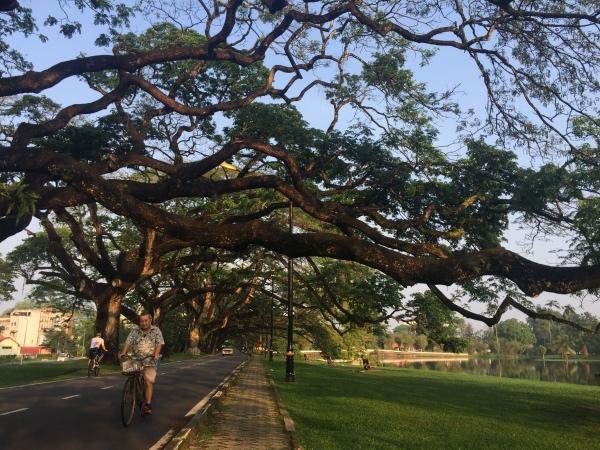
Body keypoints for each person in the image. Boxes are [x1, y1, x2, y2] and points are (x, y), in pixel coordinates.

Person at [118, 313, 164, 416]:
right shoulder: (135, 330)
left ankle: (148, 405)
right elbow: (128, 342)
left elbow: (159, 344)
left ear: (150, 320)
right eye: (141, 321)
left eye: (145, 320)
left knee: (148, 381)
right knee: (130, 374)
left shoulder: (156, 330)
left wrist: (155, 354)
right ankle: (133, 395)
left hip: (150, 360)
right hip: (135, 359)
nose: (143, 323)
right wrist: (123, 352)